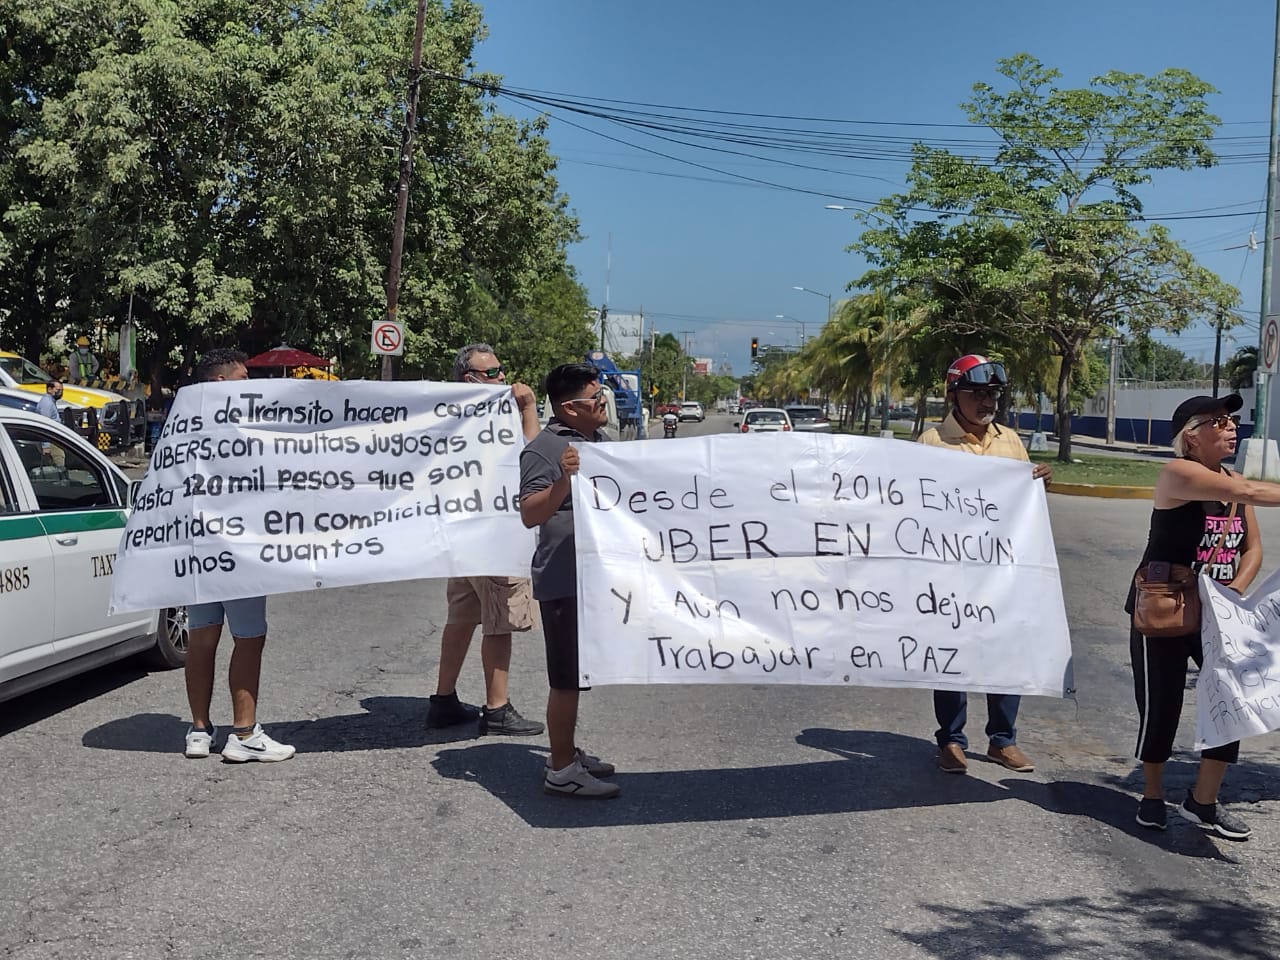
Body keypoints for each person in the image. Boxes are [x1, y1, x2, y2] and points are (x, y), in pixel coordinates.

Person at [1125, 393, 1280, 839]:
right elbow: (1248, 493)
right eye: (1218, 421)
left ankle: (1204, 800)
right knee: (1161, 701)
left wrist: (1233, 592)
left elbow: (1252, 548)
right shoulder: (1178, 473)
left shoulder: (1233, 480)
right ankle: (1152, 795)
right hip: (1166, 606)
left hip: (1217, 611)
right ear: (1190, 437)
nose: (1231, 426)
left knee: (1232, 697)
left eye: (1231, 419)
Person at [918, 354, 1051, 775]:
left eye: (992, 393)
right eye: (976, 393)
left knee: (1005, 652)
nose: (986, 401)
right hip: (950, 571)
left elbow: (1021, 504)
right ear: (953, 395)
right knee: (951, 656)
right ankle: (951, 740)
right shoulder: (931, 442)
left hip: (1002, 571)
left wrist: (1038, 483)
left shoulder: (1010, 440)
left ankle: (1003, 740)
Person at [426, 343, 545, 737]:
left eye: (500, 369)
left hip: (462, 533)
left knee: (461, 616)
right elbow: (532, 459)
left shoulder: (448, 416)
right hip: (493, 534)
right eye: (492, 372)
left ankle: (443, 700)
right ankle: (497, 707)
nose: (501, 376)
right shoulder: (492, 418)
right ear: (470, 378)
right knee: (499, 620)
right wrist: (529, 410)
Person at [182, 348, 294, 763]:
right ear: (220, 383)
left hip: (197, 547)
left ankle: (199, 731)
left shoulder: (184, 423)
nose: (251, 385)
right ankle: (244, 733)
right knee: (249, 637)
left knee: (202, 636)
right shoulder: (242, 427)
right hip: (237, 548)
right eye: (243, 378)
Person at [519, 362, 619, 798]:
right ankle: (561, 769)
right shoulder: (544, 449)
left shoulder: (602, 443)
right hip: (564, 579)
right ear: (570, 407)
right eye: (595, 398)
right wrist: (564, 481)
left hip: (596, 580)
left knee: (581, 673)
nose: (603, 403)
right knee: (565, 677)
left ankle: (568, 750)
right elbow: (530, 513)